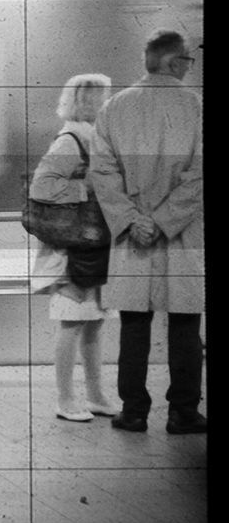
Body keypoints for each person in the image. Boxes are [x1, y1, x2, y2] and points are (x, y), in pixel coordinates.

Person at [89, 30, 205, 434]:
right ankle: (183, 413)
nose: (190, 67)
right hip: (183, 236)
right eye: (188, 60)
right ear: (174, 63)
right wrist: (163, 221)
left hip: (132, 238)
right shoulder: (196, 106)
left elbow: (102, 173)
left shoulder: (114, 107)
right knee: (186, 323)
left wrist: (133, 221)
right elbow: (199, 176)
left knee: (134, 324)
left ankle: (134, 411)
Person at [29, 74, 119, 423]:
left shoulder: (94, 138)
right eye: (103, 97)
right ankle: (66, 399)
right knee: (72, 323)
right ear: (88, 101)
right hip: (72, 249)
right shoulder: (70, 141)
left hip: (94, 245)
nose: (108, 103)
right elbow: (41, 188)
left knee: (94, 322)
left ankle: (95, 395)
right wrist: (89, 190)